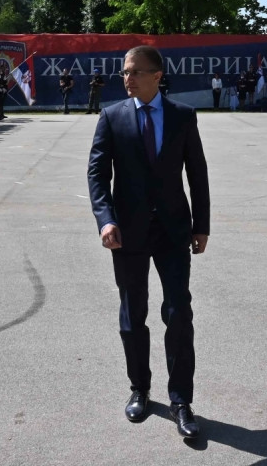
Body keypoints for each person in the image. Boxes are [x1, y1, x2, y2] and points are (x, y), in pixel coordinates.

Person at [87, 45, 210, 439]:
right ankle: (139, 389)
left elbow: (198, 174)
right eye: (125, 72)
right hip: (128, 232)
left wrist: (201, 224)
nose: (128, 78)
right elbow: (96, 175)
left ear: (158, 75)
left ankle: (181, 401)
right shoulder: (112, 117)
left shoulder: (182, 116)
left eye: (136, 72)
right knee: (132, 314)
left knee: (178, 312)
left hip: (174, 230)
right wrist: (106, 221)